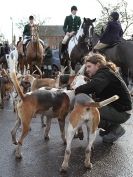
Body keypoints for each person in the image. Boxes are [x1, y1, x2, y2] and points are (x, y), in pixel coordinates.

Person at [75, 53, 132, 143]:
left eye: (89, 66)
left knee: (88, 110)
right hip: (119, 108)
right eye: (86, 67)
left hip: (122, 112)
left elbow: (93, 86)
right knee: (91, 106)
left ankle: (116, 129)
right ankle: (110, 128)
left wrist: (75, 90)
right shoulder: (104, 73)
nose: (87, 70)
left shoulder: (104, 74)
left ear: (97, 65)